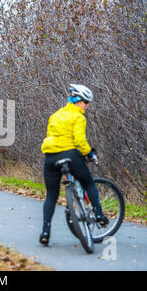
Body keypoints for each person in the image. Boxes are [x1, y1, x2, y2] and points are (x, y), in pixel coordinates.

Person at [39, 84, 109, 245]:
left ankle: (45, 231)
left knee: (51, 195)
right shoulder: (78, 117)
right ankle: (99, 214)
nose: (87, 105)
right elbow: (80, 141)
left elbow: (51, 136)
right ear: (77, 101)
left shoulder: (54, 115)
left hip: (50, 157)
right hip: (69, 154)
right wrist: (90, 155)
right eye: (86, 102)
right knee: (88, 182)